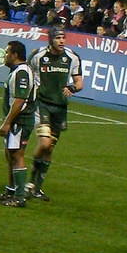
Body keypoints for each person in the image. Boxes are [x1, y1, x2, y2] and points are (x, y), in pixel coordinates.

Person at [25, 27, 83, 201]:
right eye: (58, 38)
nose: (61, 41)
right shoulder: (38, 56)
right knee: (44, 143)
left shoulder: (72, 57)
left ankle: (37, 188)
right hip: (42, 104)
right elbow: (27, 74)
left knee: (49, 149)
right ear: (50, 39)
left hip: (60, 107)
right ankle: (29, 183)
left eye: (63, 38)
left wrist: (72, 87)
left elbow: (79, 82)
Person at [0, 41, 37, 207]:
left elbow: (20, 100)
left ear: (14, 55)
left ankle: (19, 197)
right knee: (10, 154)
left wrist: (7, 123)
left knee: (17, 155)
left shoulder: (22, 73)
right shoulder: (17, 71)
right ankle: (10, 191)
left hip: (20, 121)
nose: (5, 55)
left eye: (7, 52)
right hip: (16, 121)